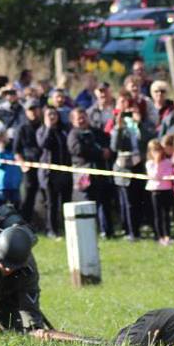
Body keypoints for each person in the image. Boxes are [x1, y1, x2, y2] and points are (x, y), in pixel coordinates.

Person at [68, 107, 113, 237]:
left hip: (100, 172)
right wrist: (99, 153)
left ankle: (107, 231)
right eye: (79, 118)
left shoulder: (96, 132)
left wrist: (106, 151)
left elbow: (106, 143)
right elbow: (78, 150)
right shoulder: (73, 135)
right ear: (73, 121)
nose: (82, 120)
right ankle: (89, 232)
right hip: (84, 176)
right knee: (87, 203)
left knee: (104, 203)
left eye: (84, 117)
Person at [110, 94, 146, 240]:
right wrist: (118, 128)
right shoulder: (118, 124)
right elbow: (114, 147)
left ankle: (138, 229)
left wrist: (140, 124)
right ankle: (131, 232)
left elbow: (148, 140)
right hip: (123, 167)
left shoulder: (139, 123)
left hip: (138, 165)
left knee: (139, 200)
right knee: (128, 203)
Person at [36, 106, 71, 238]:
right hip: (49, 173)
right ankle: (52, 230)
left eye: (54, 114)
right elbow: (44, 144)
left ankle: (67, 228)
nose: (52, 117)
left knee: (66, 202)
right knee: (52, 203)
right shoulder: (41, 131)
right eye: (49, 114)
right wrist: (49, 128)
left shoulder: (64, 130)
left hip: (65, 171)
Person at [13, 99, 43, 225]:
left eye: (35, 109)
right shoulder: (22, 128)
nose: (34, 112)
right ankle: (25, 224)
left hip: (45, 166)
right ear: (26, 112)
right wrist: (22, 164)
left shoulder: (44, 125)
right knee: (28, 198)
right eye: (31, 109)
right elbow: (16, 151)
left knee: (47, 198)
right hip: (29, 168)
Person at [145, 138, 174, 245]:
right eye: (154, 151)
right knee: (157, 215)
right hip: (155, 191)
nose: (157, 153)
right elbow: (155, 176)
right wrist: (157, 163)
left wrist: (165, 175)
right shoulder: (149, 163)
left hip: (166, 189)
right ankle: (159, 236)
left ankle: (167, 235)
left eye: (159, 150)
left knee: (166, 214)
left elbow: (169, 173)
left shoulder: (167, 162)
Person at [0, 124, 22, 208]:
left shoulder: (15, 146)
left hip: (15, 184)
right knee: (2, 208)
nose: (0, 140)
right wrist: (0, 151)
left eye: (1, 136)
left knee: (16, 206)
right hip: (2, 186)